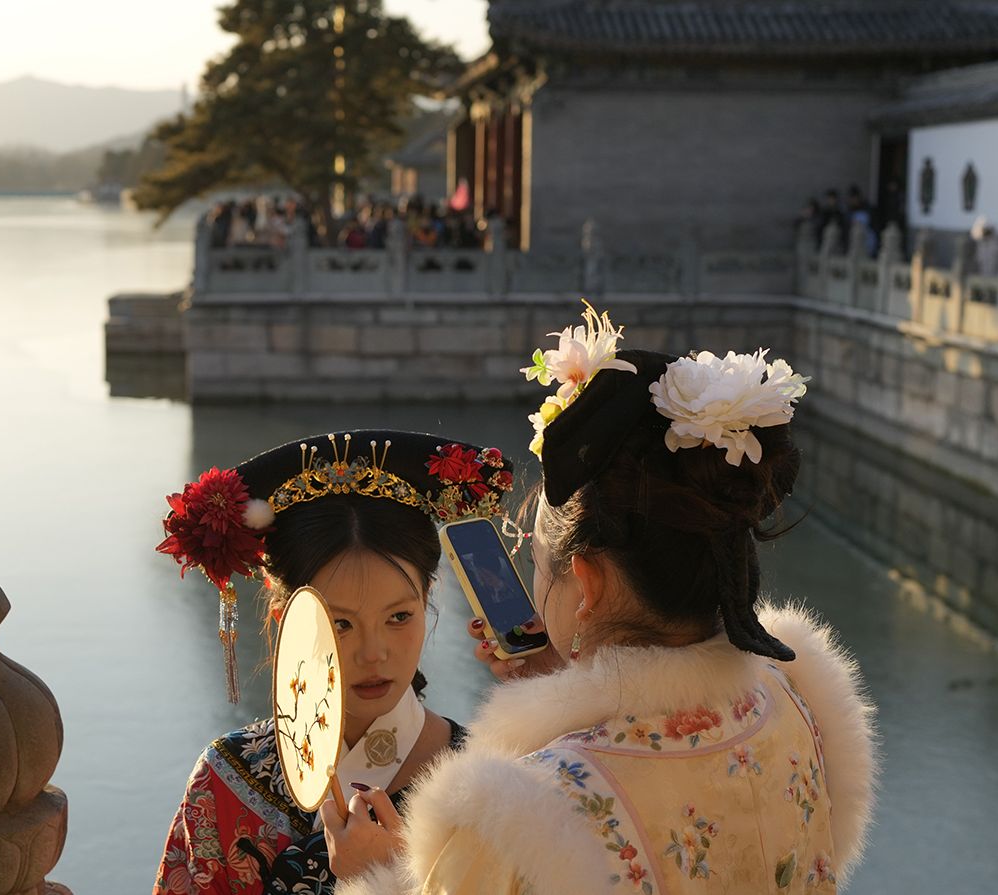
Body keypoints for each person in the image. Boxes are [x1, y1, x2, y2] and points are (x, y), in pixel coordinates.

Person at [324, 308, 879, 894]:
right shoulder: (792, 701)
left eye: (540, 568)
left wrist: (378, 878)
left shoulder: (525, 815)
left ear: (585, 585)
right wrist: (564, 680)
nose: (538, 589)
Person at [154, 431, 518, 894]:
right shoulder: (225, 779)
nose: (374, 653)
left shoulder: (489, 783)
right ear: (284, 617)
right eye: (340, 624)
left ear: (428, 600)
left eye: (399, 617)